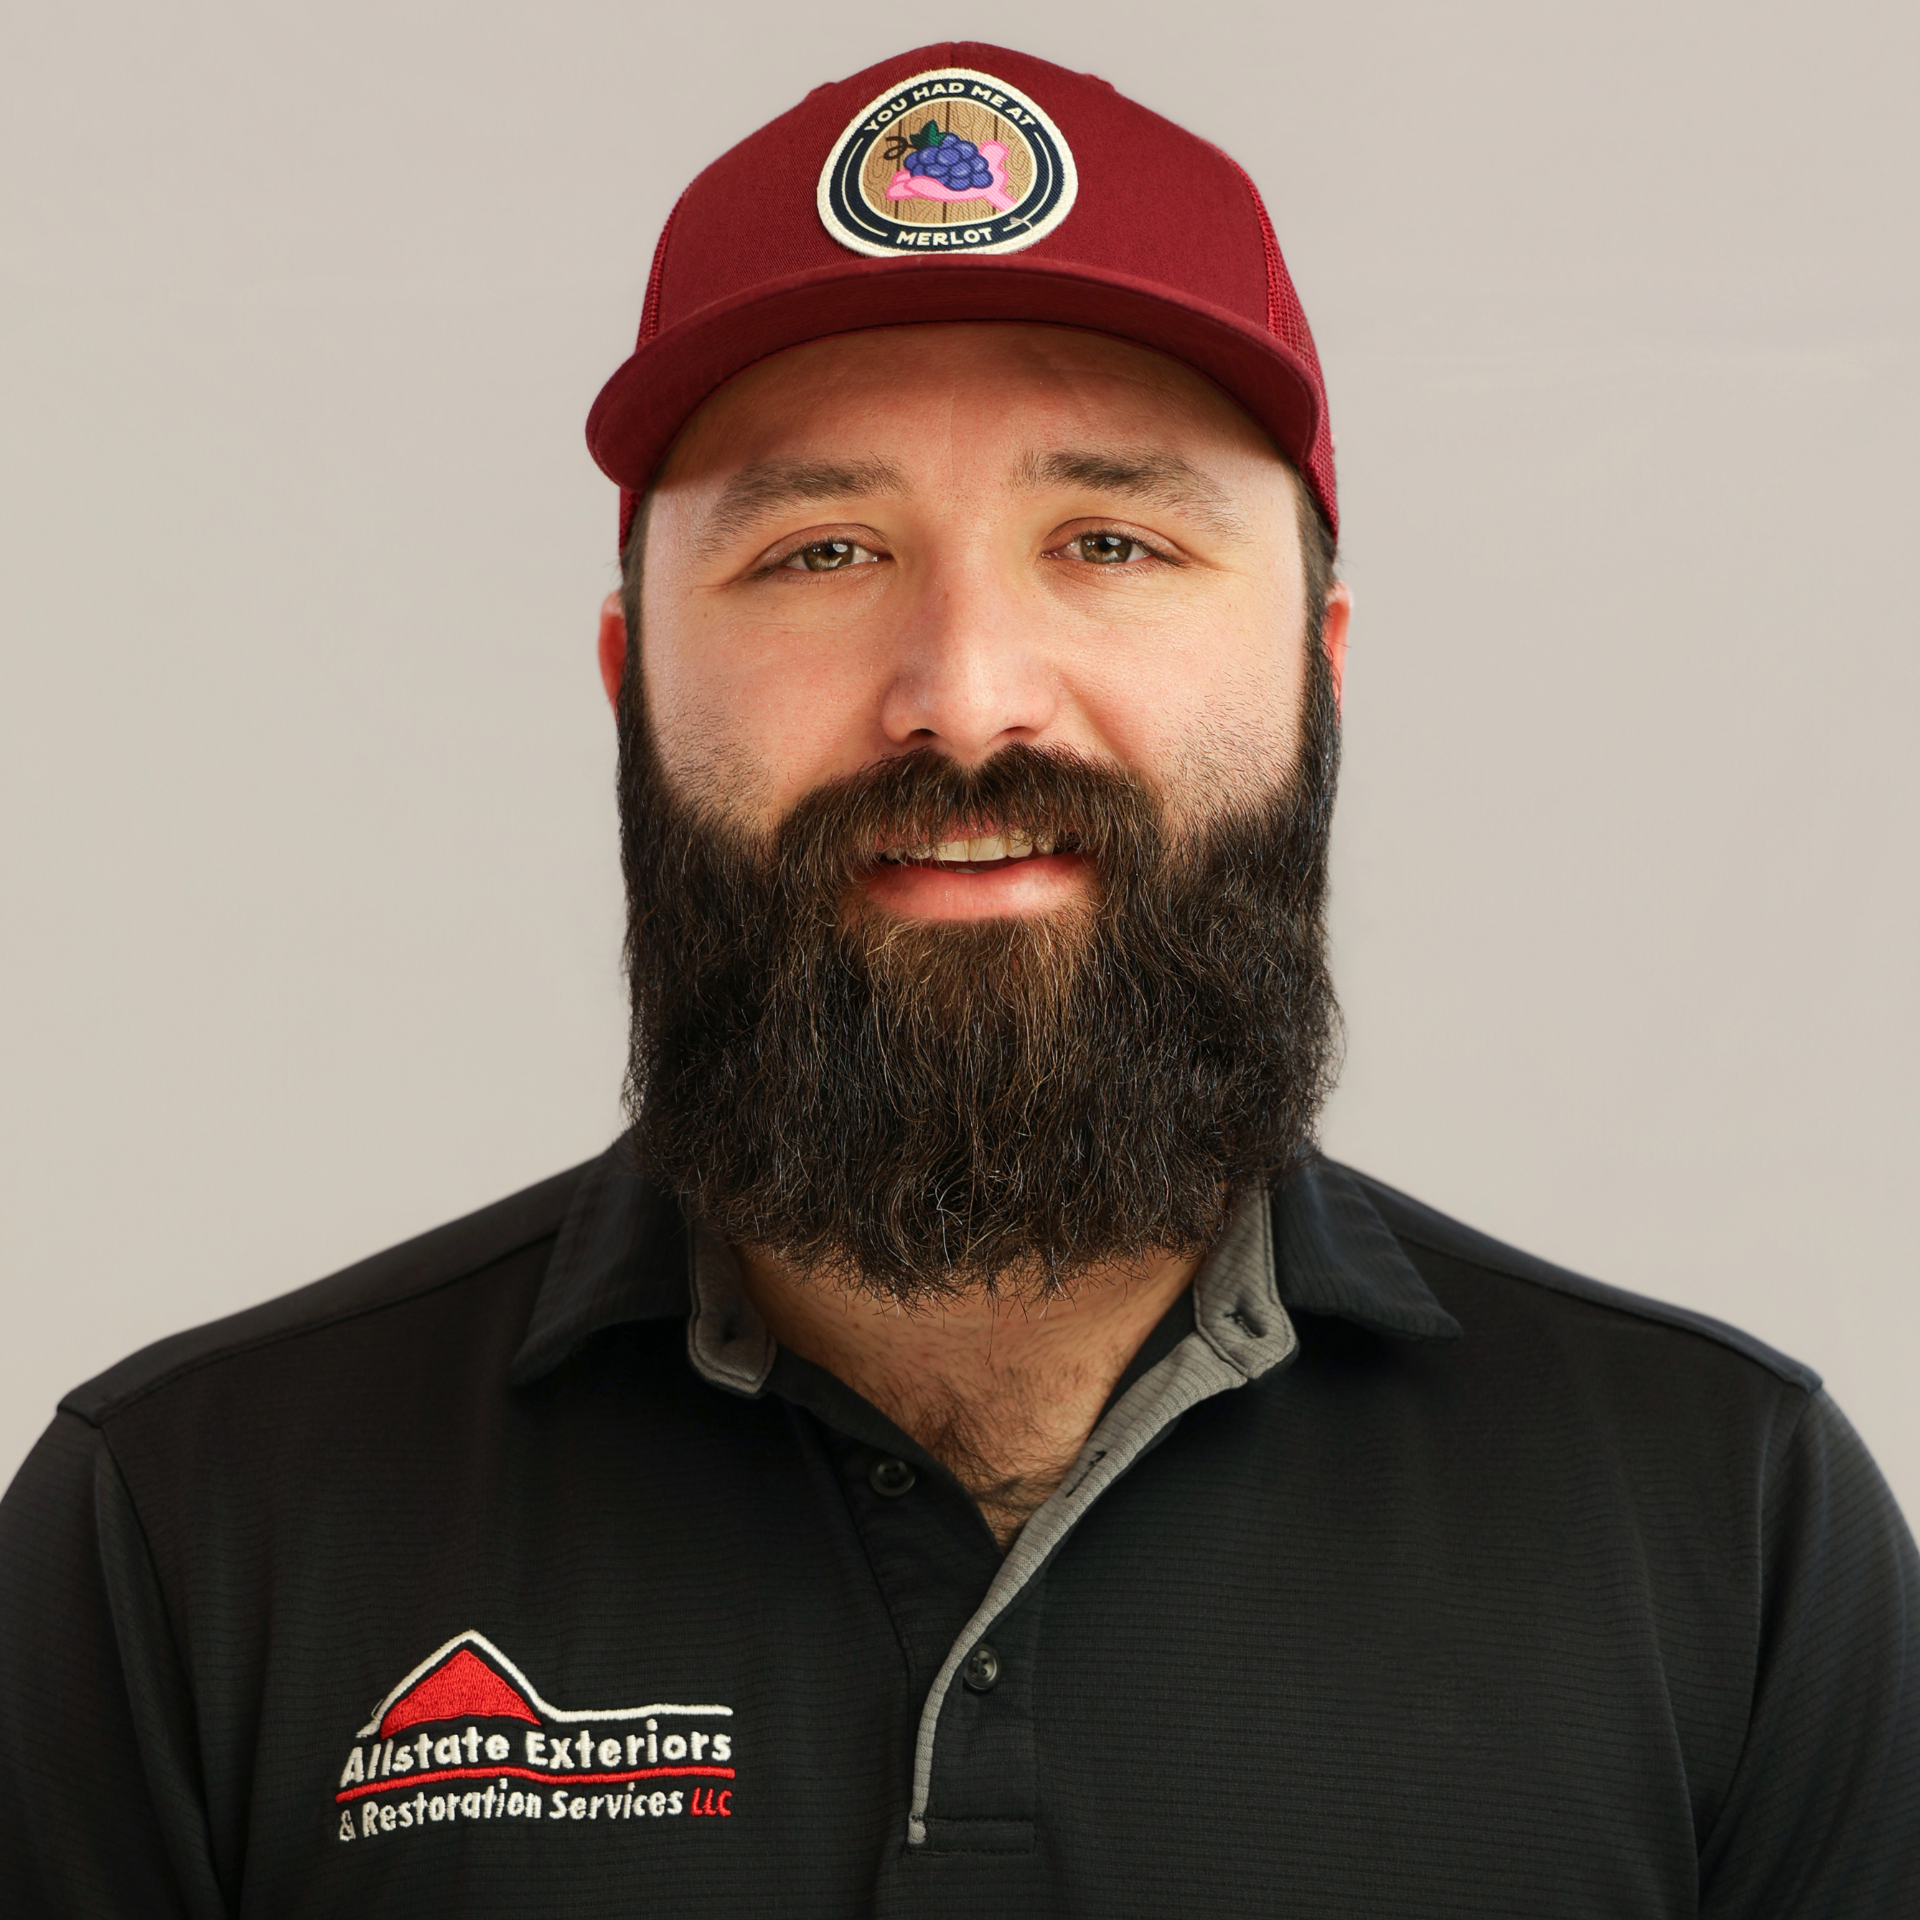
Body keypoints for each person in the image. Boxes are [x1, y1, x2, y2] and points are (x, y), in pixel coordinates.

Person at [1, 40, 1913, 1918]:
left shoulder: (1730, 1533)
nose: (969, 691)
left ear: (1322, 664)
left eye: (1112, 540)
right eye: (825, 548)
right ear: (630, 680)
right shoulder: (176, 1541)